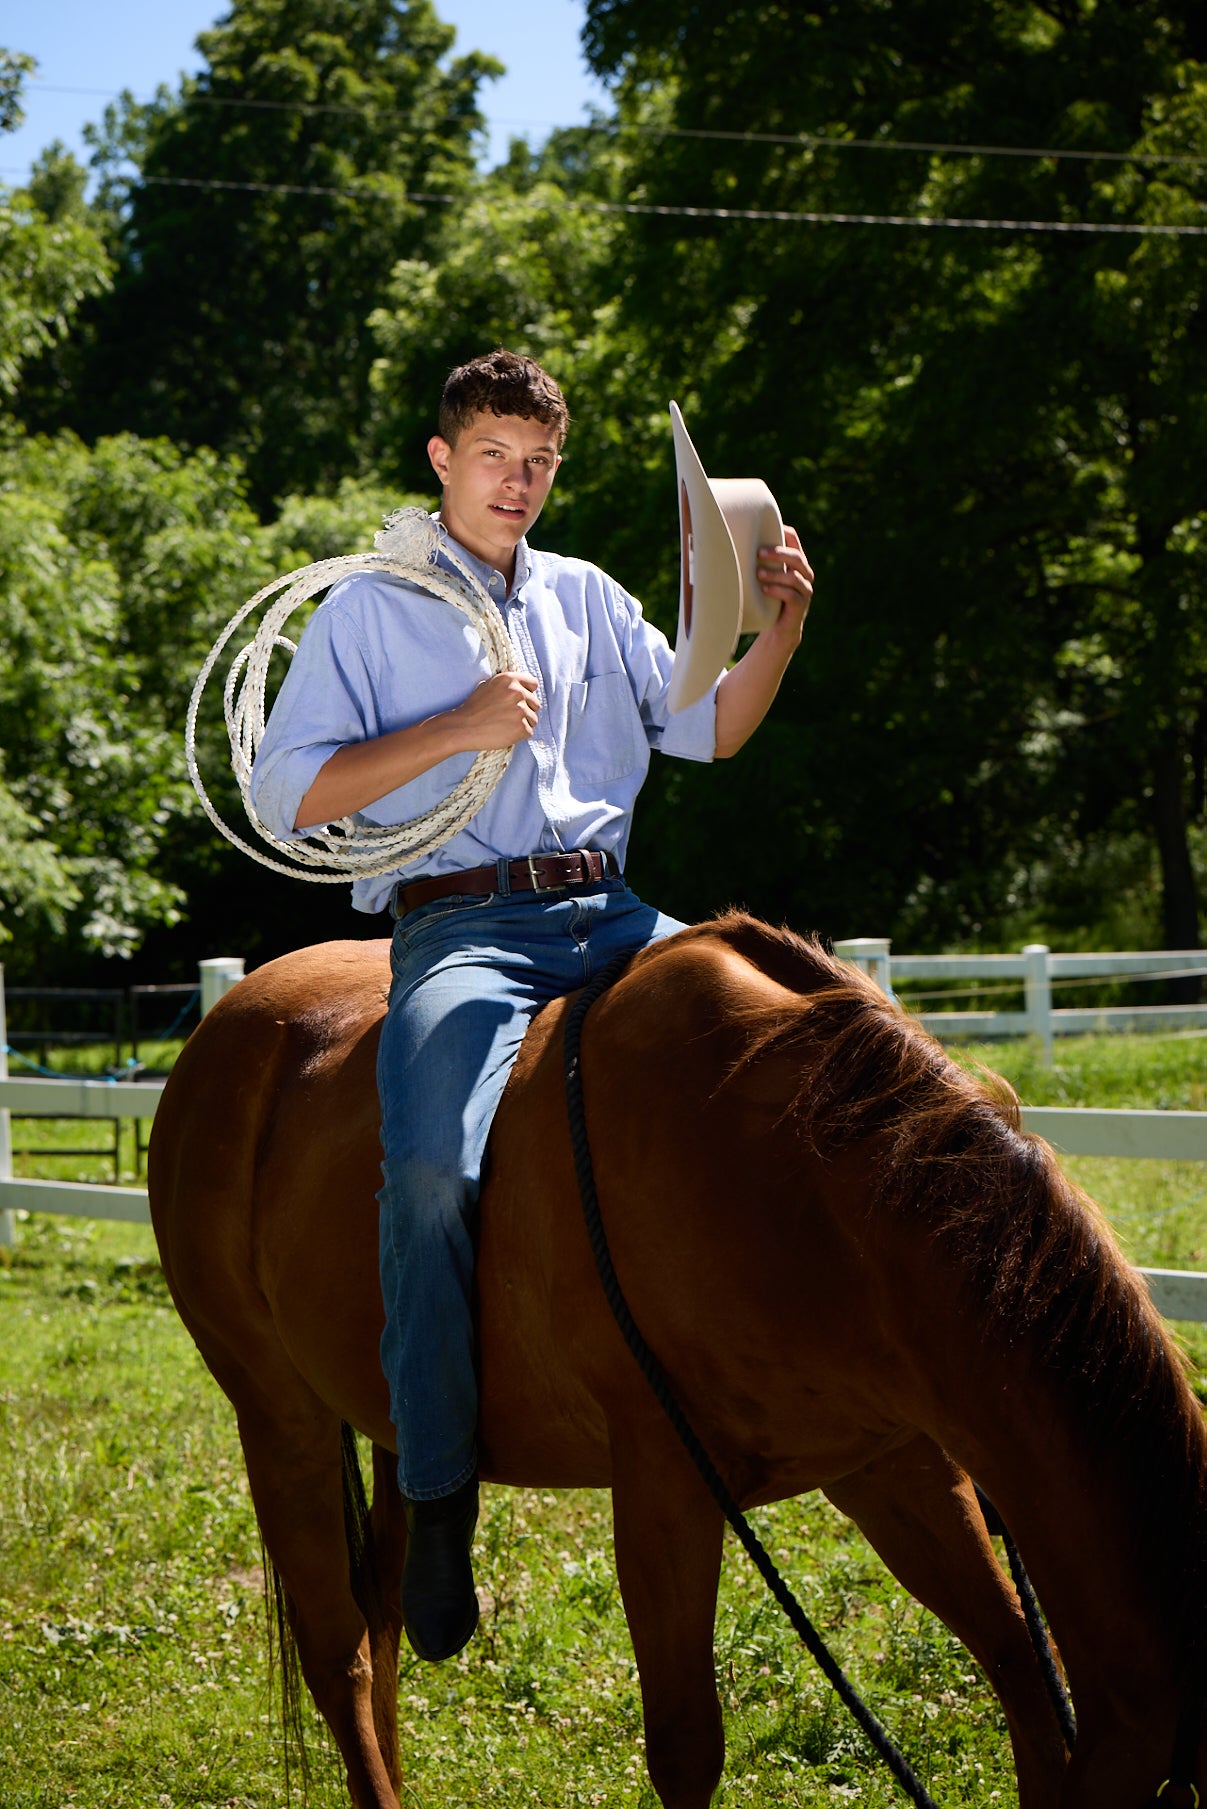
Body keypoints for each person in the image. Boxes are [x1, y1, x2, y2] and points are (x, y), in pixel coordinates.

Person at [250, 349, 813, 1663]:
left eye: (542, 459)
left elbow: (710, 728)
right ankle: (437, 1488)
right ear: (442, 460)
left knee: (798, 1043)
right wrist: (455, 725)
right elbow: (291, 793)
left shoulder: (587, 600)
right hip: (464, 921)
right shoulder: (368, 611)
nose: (521, 480)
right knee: (436, 1172)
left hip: (610, 908)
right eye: (496, 454)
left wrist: (778, 626)